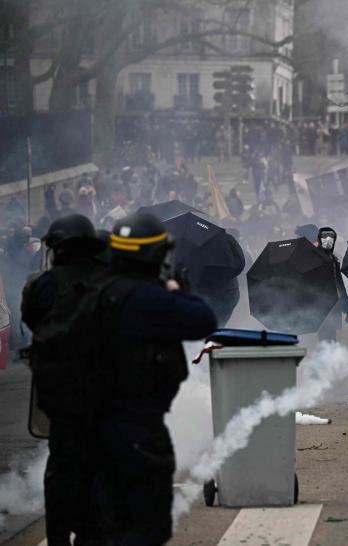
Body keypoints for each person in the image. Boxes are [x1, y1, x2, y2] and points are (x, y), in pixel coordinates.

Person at [94, 213, 216, 544]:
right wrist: (177, 289)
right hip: (139, 431)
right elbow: (203, 320)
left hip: (90, 430)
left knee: (104, 522)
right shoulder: (150, 298)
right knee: (146, 527)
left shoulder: (95, 292)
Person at [22, 214, 108, 546]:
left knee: (61, 471)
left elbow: (33, 322)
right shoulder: (111, 281)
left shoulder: (43, 285)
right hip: (105, 398)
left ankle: (58, 536)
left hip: (60, 399)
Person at [316, 227, 348, 341]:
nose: (328, 240)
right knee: (324, 339)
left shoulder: (334, 259)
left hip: (334, 305)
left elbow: (340, 284)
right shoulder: (313, 258)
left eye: (331, 237)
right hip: (320, 306)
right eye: (324, 237)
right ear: (319, 239)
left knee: (332, 339)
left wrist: (347, 307)